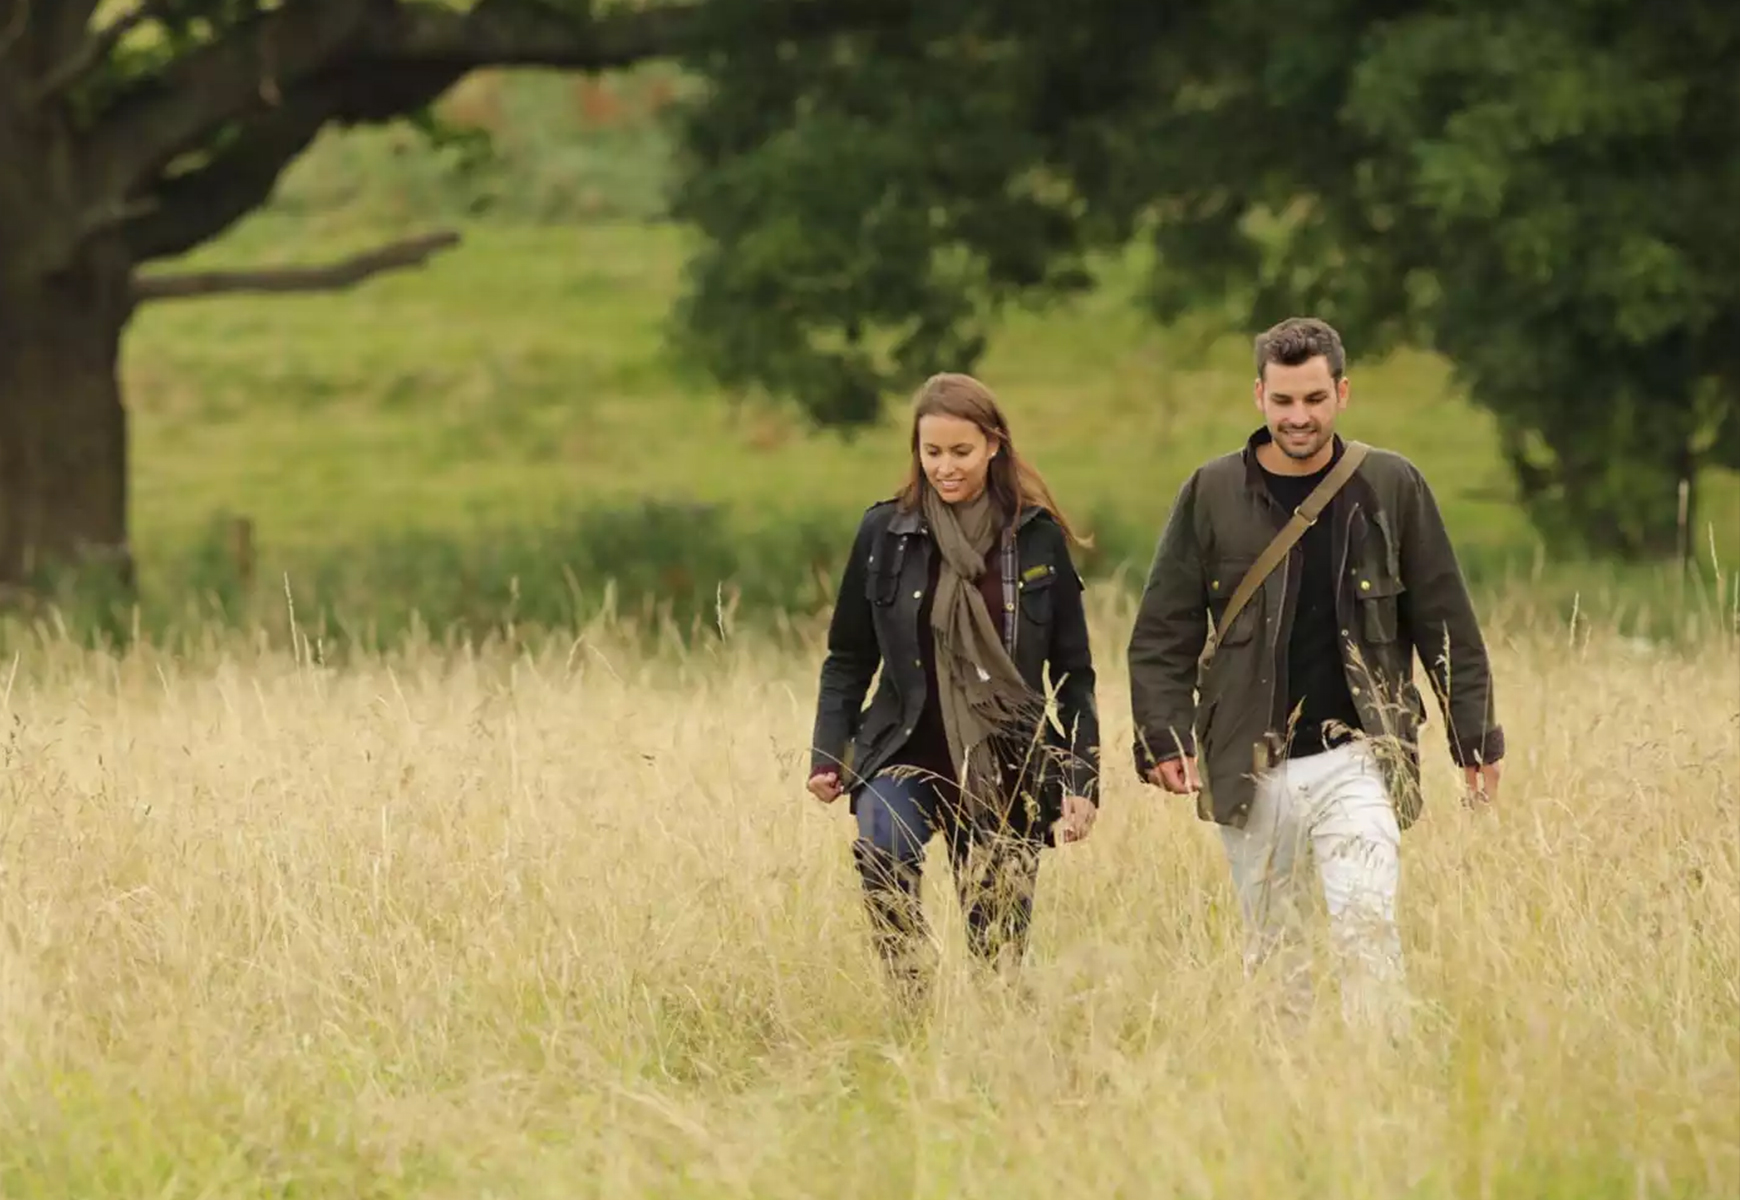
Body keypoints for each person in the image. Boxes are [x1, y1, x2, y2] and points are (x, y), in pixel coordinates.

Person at [1126, 316, 1506, 1029]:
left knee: (1368, 928)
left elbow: (1445, 619)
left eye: (1313, 399)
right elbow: (1162, 631)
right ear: (1259, 397)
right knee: (1276, 956)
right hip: (1250, 759)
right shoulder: (1210, 492)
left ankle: (1384, 1084)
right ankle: (1289, 1102)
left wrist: (1475, 737)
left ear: (1342, 392)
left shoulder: (1392, 485)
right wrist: (1162, 735)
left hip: (1359, 754)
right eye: (1283, 401)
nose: (1298, 417)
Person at [806, 371, 1100, 1001]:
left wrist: (1081, 780)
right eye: (930, 452)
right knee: (882, 851)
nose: (945, 467)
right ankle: (911, 998)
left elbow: (1074, 674)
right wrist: (829, 754)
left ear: (994, 445)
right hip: (905, 747)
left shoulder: (1036, 537)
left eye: (960, 452)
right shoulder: (885, 533)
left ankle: (990, 1046)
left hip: (1006, 760)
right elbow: (847, 657)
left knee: (997, 958)